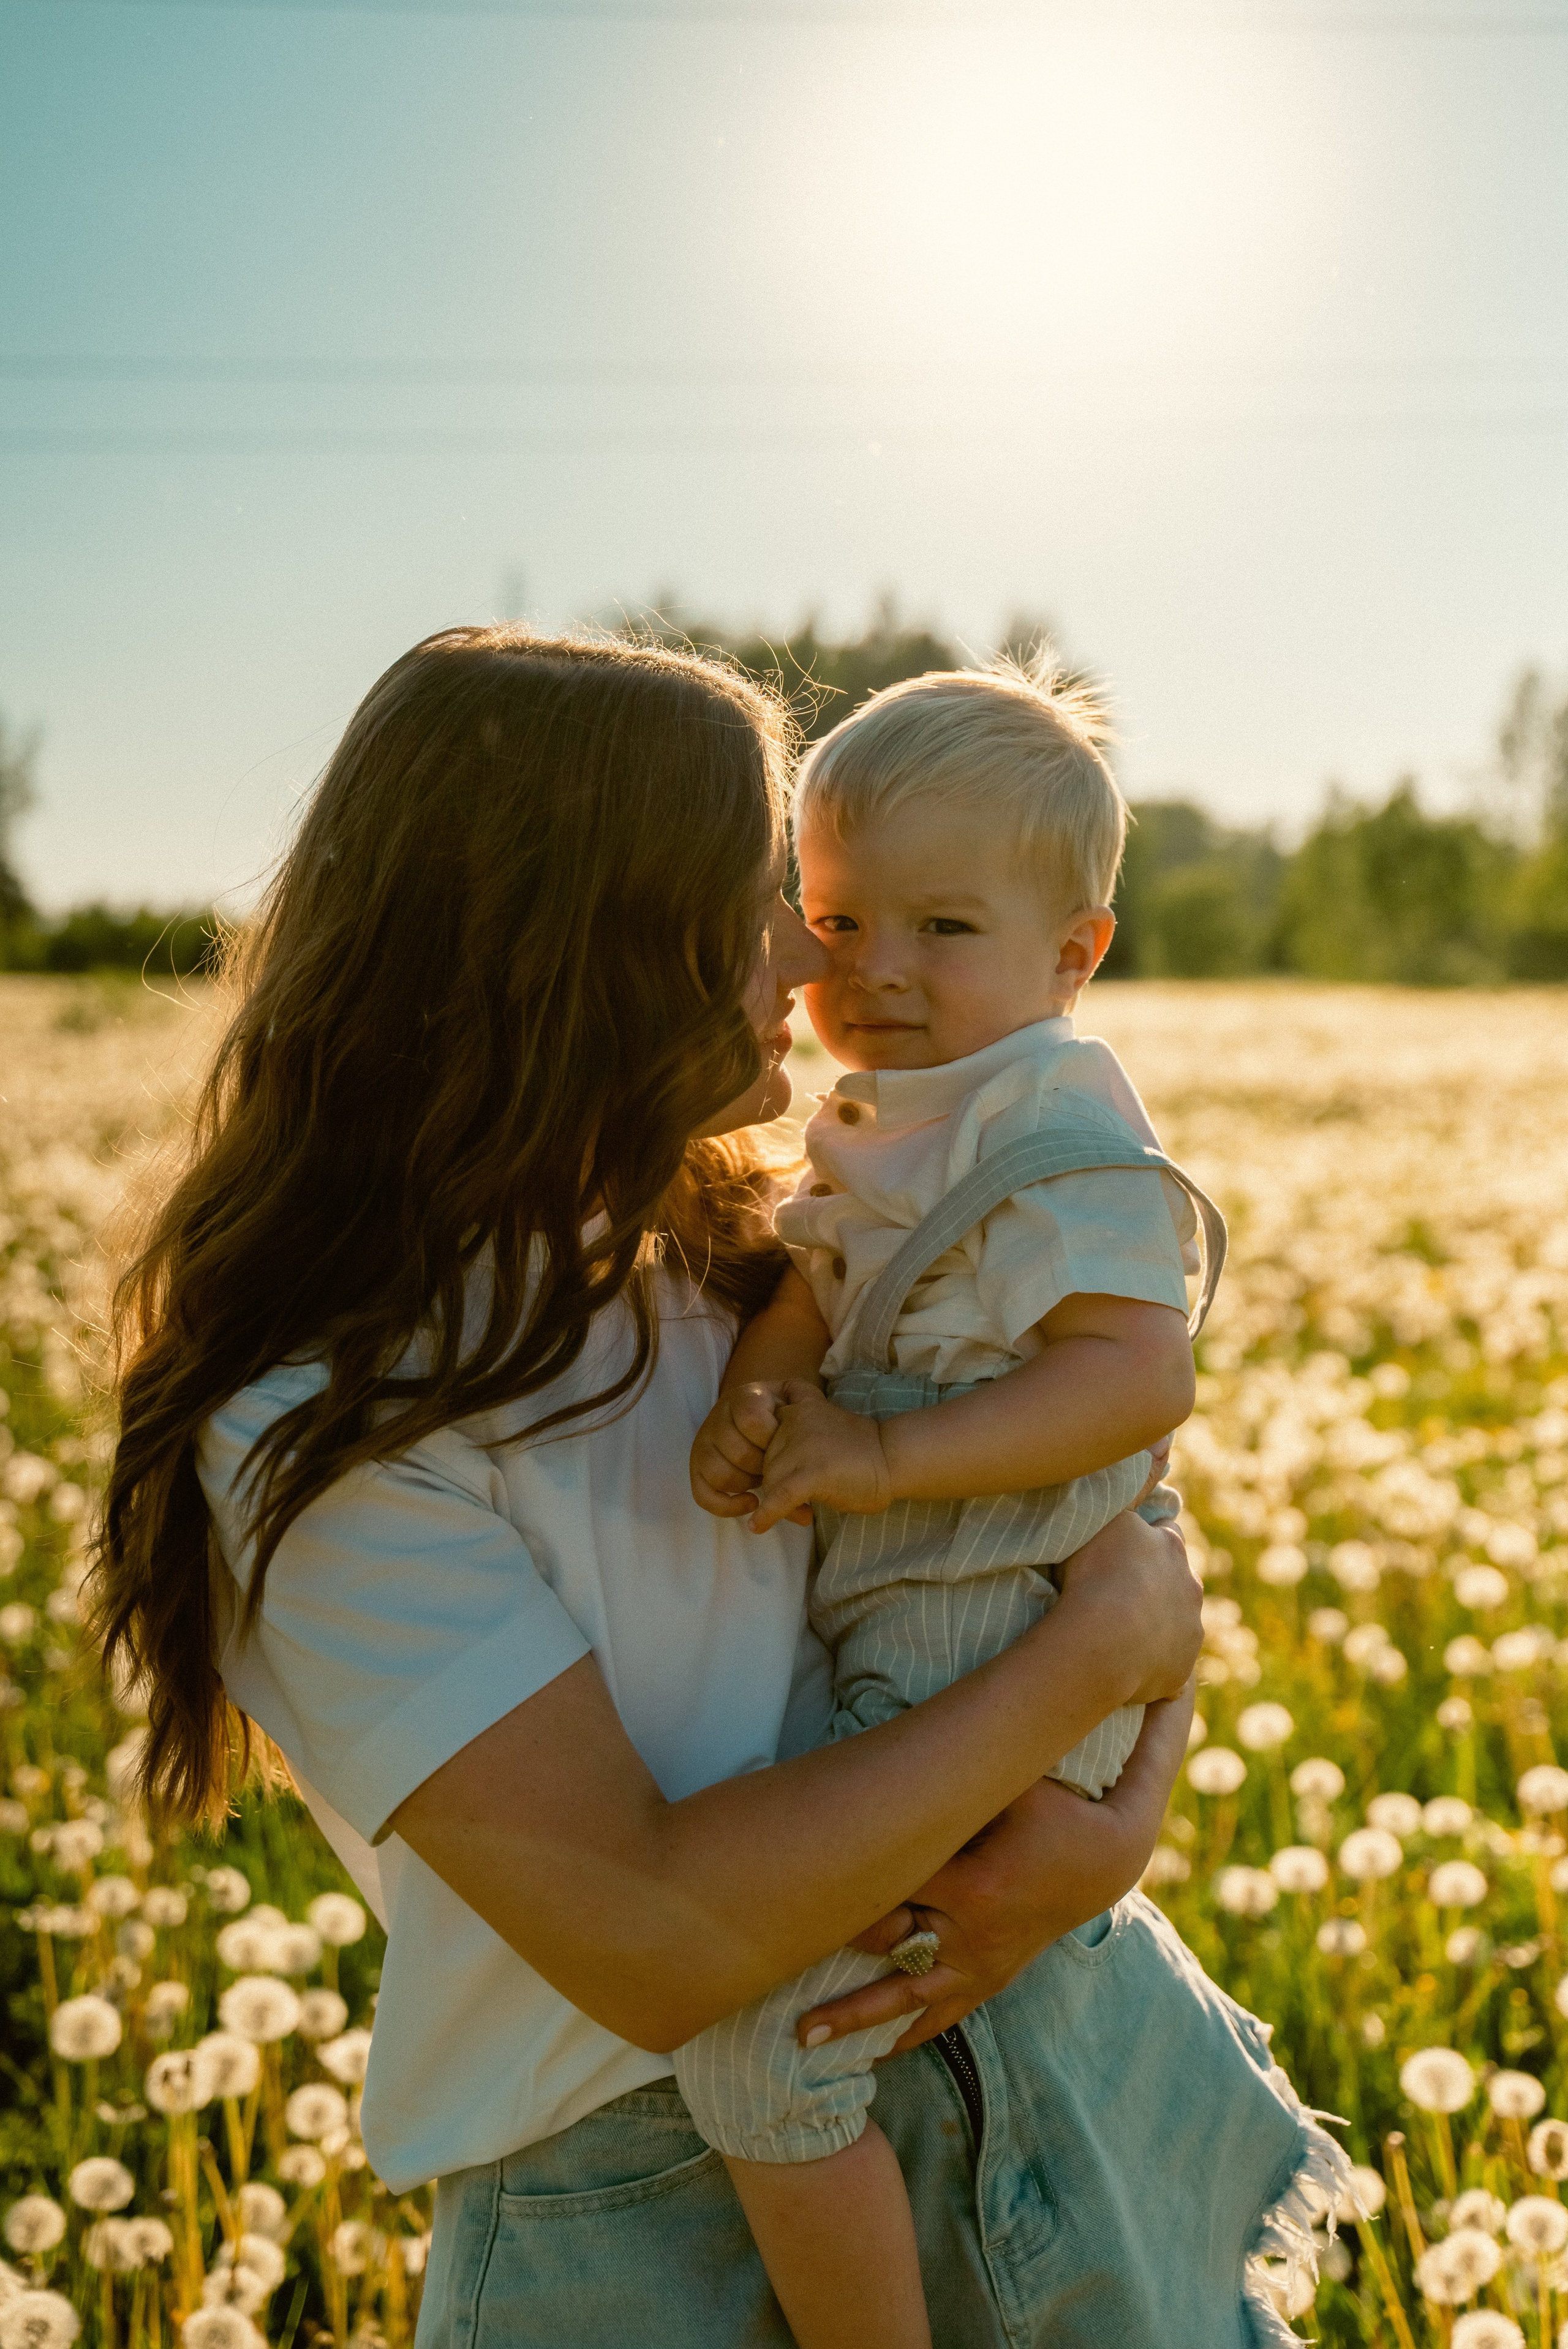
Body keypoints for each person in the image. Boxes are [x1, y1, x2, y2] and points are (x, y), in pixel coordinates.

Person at [92, 626, 1229, 2349]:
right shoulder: (320, 1424)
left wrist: (1101, 1837)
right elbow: (656, 1928)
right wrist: (1086, 1667)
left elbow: (1082, 1529)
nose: (812, 946)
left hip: (1011, 2078)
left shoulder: (739, 1268)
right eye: (764, 891)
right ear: (578, 941)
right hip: (630, 2223)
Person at [682, 660, 1346, 2349]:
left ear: (1078, 952)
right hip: (907, 1638)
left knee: (766, 2044)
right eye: (838, 921)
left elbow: (1139, 1378)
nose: (876, 970)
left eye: (944, 927)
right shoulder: (881, 1121)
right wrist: (755, 1407)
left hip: (996, 1618)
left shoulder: (1057, 1115)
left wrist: (884, 1457)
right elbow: (821, 1292)